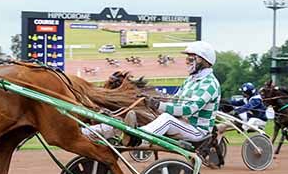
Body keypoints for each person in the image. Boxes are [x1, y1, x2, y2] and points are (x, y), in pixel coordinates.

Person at [83, 41, 221, 145]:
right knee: (135, 116)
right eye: (187, 58)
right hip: (182, 123)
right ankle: (86, 133)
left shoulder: (209, 84)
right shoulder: (191, 80)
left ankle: (138, 138)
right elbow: (176, 100)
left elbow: (187, 110)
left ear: (203, 60)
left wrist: (158, 105)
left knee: (166, 119)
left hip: (197, 131)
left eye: (191, 58)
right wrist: (151, 99)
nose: (187, 61)